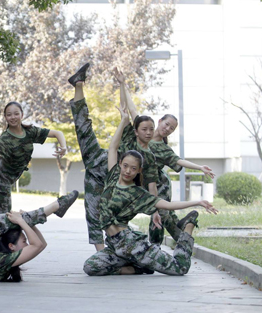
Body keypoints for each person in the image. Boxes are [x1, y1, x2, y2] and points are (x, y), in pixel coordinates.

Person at [83, 105, 218, 276]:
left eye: (133, 169)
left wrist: (198, 202)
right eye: (125, 166)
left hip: (133, 245)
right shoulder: (111, 178)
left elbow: (167, 205)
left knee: (179, 268)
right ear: (119, 165)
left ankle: (188, 228)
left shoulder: (138, 194)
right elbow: (112, 147)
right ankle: (138, 267)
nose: (127, 171)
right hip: (114, 246)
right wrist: (124, 120)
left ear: (139, 171)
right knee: (90, 267)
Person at [115, 69, 216, 244]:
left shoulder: (162, 148)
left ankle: (159, 247)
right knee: (159, 213)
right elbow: (129, 109)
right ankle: (182, 229)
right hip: (136, 179)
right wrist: (123, 84)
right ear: (160, 121)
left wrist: (199, 167)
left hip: (158, 184)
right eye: (167, 124)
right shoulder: (141, 131)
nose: (167, 129)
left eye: (172, 128)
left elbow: (178, 161)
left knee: (160, 213)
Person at [68, 62, 111, 251]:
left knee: (100, 211)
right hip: (99, 160)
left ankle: (109, 252)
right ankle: (78, 84)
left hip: (108, 174)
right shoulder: (140, 132)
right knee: (83, 125)